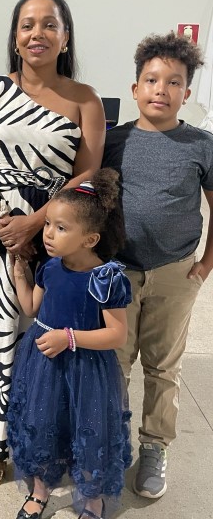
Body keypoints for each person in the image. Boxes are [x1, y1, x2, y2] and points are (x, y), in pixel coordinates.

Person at [0, 0, 106, 486]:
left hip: (58, 241)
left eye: (49, 24)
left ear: (65, 37)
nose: (37, 33)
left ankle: (41, 441)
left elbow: (87, 178)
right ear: (15, 38)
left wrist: (36, 222)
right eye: (27, 25)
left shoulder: (86, 99)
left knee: (44, 344)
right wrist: (4, 223)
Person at [102, 31, 213, 500]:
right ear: (135, 88)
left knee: (163, 366)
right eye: (151, 80)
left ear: (187, 93)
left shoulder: (201, 145)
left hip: (175, 273)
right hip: (117, 272)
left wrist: (205, 265)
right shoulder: (113, 141)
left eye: (173, 82)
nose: (161, 90)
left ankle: (154, 446)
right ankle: (110, 441)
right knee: (113, 363)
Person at [8, 169, 132, 519]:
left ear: (90, 239)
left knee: (88, 430)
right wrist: (19, 275)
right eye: (48, 224)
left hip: (86, 368)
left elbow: (117, 334)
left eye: (61, 228)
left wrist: (70, 338)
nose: (48, 233)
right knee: (42, 424)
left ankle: (92, 499)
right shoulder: (50, 267)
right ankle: (40, 491)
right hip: (44, 363)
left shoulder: (106, 278)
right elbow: (32, 308)